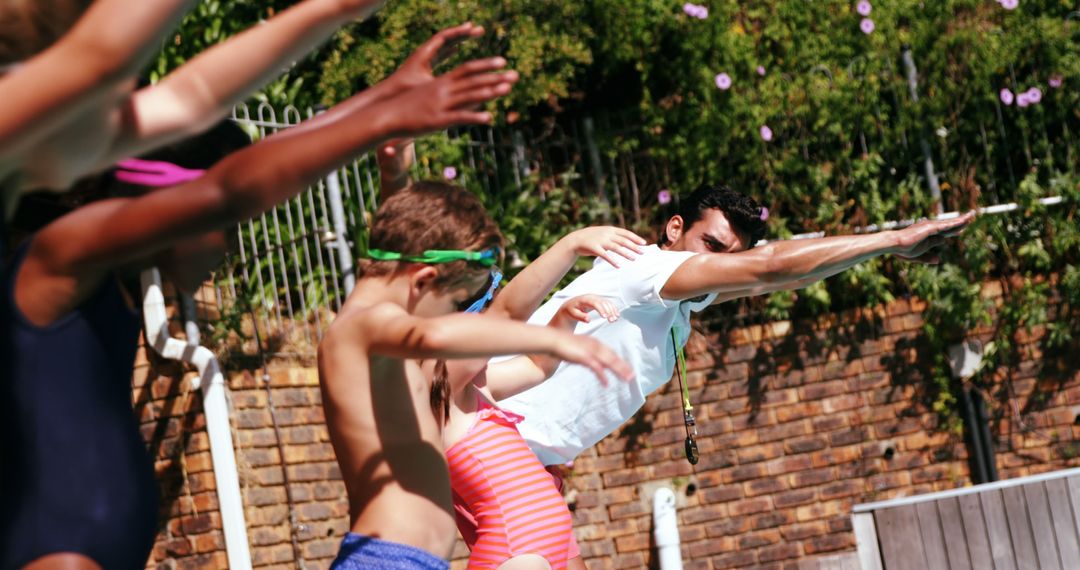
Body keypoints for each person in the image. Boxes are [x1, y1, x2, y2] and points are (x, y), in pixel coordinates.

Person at [0, 32, 518, 569]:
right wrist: (380, 116)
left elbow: (242, 167)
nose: (229, 247)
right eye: (225, 229)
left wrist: (386, 97)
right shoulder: (56, 262)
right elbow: (229, 186)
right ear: (174, 206)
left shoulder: (114, 288)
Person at [317, 181, 634, 569]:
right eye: (457, 303)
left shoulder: (462, 386)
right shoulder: (435, 379)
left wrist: (562, 322)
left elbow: (533, 364)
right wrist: (554, 334)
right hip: (480, 555)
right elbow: (480, 321)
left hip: (453, 554)